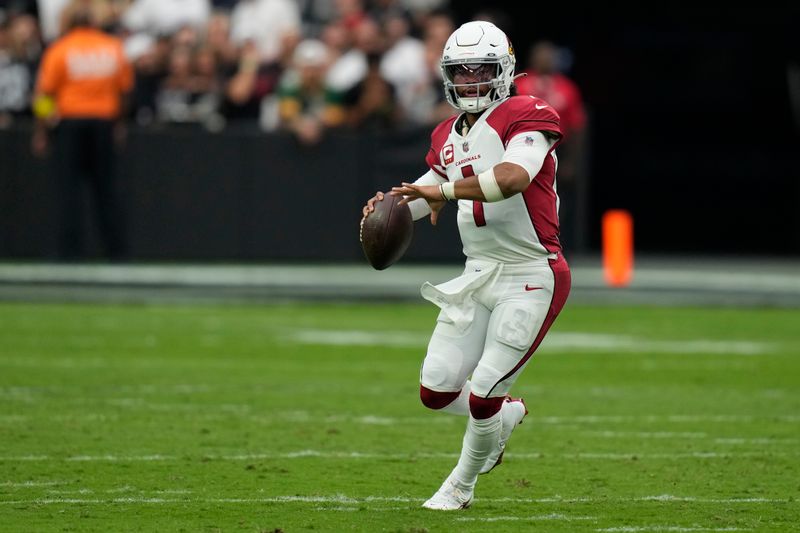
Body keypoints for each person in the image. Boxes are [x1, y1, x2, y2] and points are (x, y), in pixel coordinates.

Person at [360, 20, 571, 510]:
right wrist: (389, 206)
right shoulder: (446, 134)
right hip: (478, 274)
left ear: (505, 72)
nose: (472, 81)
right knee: (435, 390)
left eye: (482, 71)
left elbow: (513, 177)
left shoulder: (527, 113)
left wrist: (444, 191)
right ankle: (505, 414)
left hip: (531, 273)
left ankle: (461, 485)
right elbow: (421, 193)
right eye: (462, 71)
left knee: (482, 393)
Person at [31, 2, 133, 260]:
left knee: (69, 191)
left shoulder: (60, 49)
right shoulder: (112, 47)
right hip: (103, 123)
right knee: (107, 191)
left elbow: (43, 97)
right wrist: (119, 125)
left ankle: (69, 253)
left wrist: (43, 129)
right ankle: (116, 253)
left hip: (70, 125)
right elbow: (125, 93)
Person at [516, 40, 588, 252]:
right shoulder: (519, 84)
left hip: (557, 149)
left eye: (549, 55)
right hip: (524, 148)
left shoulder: (567, 88)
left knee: (556, 202)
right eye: (541, 55)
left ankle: (554, 246)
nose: (545, 60)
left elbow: (577, 128)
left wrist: (571, 162)